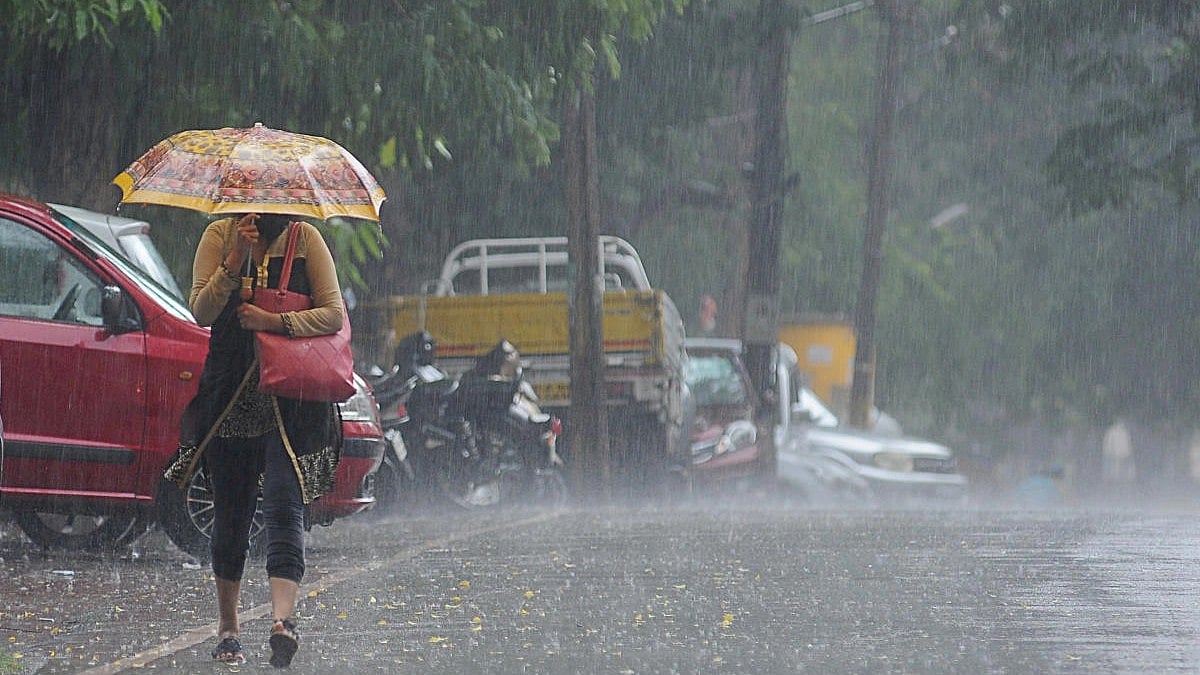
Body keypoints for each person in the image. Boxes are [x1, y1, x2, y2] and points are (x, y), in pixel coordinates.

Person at [164, 212, 344, 667]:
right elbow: (202, 312)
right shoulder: (220, 234)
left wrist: (273, 320)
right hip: (230, 401)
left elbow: (333, 314)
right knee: (232, 515)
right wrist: (233, 261)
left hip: (291, 404)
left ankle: (283, 621)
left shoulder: (305, 239)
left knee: (284, 505)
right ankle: (228, 628)